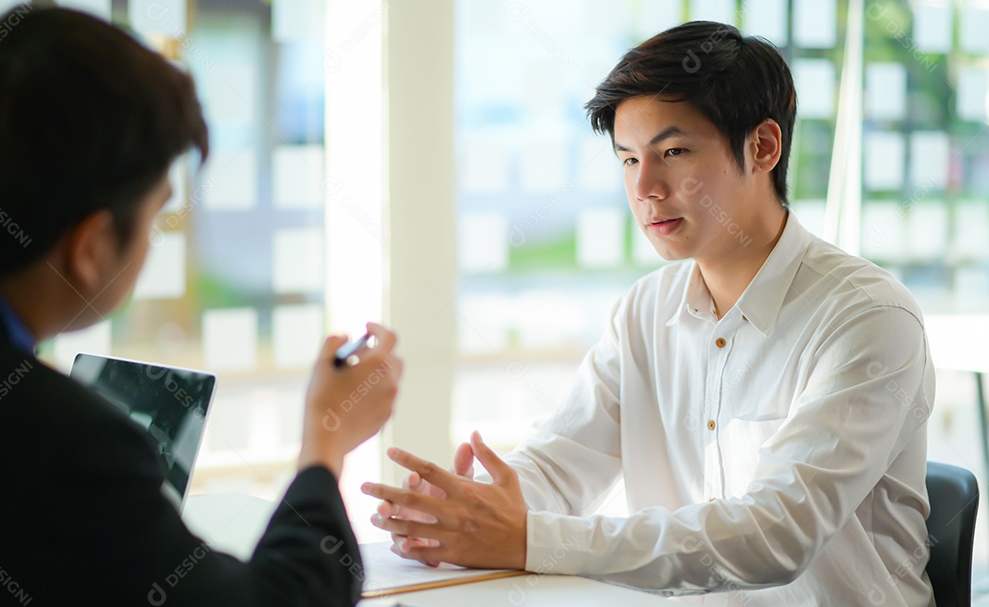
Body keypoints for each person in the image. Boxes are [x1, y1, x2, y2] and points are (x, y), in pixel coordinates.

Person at [364, 20, 935, 606]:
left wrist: (530, 539)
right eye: (629, 160)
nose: (646, 188)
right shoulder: (647, 309)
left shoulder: (868, 318)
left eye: (674, 152)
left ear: (763, 146)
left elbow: (774, 535)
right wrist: (468, 508)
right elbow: (565, 460)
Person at [0, 7, 401, 606]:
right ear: (91, 248)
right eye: (155, 215)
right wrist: (324, 443)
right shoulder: (66, 449)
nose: (153, 240)